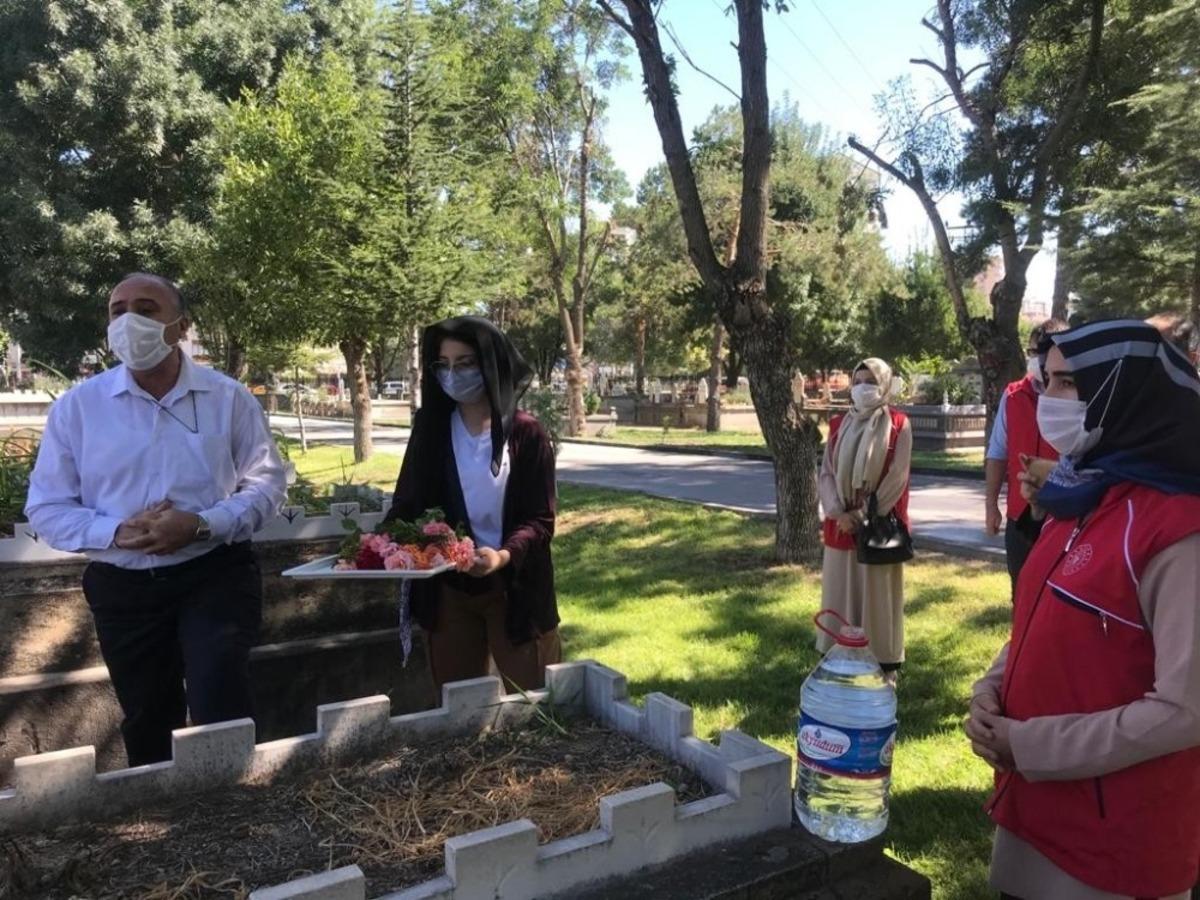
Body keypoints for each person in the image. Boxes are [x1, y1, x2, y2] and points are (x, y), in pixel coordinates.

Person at [965, 319, 1200, 900]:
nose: (1048, 397)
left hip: (1114, 849)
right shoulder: (1082, 497)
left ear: (1125, 392)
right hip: (1033, 820)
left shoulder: (1179, 533)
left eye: (1068, 383)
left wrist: (1028, 746)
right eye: (1046, 380)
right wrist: (990, 690)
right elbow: (1038, 620)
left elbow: (1185, 710)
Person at [25, 273, 287, 767]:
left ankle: (233, 801)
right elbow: (47, 506)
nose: (130, 322)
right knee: (147, 716)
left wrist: (202, 524)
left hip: (214, 576)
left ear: (181, 326)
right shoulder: (79, 408)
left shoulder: (228, 397)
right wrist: (117, 532)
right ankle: (157, 809)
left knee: (220, 702)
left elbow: (266, 484)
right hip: (124, 588)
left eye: (146, 310)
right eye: (118, 311)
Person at [386, 316, 560, 692]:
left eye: (465, 363)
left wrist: (502, 556)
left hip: (515, 590)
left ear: (491, 365)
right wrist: (374, 547)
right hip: (449, 592)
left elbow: (540, 520)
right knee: (458, 708)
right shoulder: (431, 430)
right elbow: (408, 502)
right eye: (444, 365)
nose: (453, 375)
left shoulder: (527, 433)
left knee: (535, 702)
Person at [816, 358, 913, 683]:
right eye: (857, 381)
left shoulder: (898, 424)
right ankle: (838, 661)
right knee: (841, 593)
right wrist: (838, 512)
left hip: (878, 528)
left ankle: (883, 666)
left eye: (870, 381)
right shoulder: (837, 425)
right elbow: (827, 474)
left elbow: (897, 478)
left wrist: (860, 515)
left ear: (884, 384)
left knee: (877, 599)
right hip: (840, 526)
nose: (863, 388)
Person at [984, 319, 1068, 595]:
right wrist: (991, 505)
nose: (1037, 359)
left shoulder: (1078, 395)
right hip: (1020, 516)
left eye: (1043, 352)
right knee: (1020, 592)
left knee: (1058, 595)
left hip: (1064, 514)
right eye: (1032, 352)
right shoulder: (1013, 395)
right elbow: (997, 453)